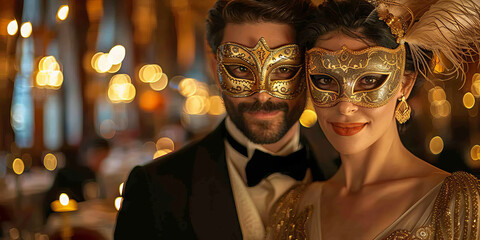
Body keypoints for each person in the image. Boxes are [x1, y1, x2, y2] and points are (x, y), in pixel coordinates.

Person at [114, 0, 338, 239]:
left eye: (284, 68)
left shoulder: (346, 168)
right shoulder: (156, 188)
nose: (261, 94)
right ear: (215, 68)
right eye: (240, 69)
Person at [267, 0, 480, 239]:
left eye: (368, 80)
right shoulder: (292, 210)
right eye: (325, 80)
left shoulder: (459, 204)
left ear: (404, 84)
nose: (346, 106)